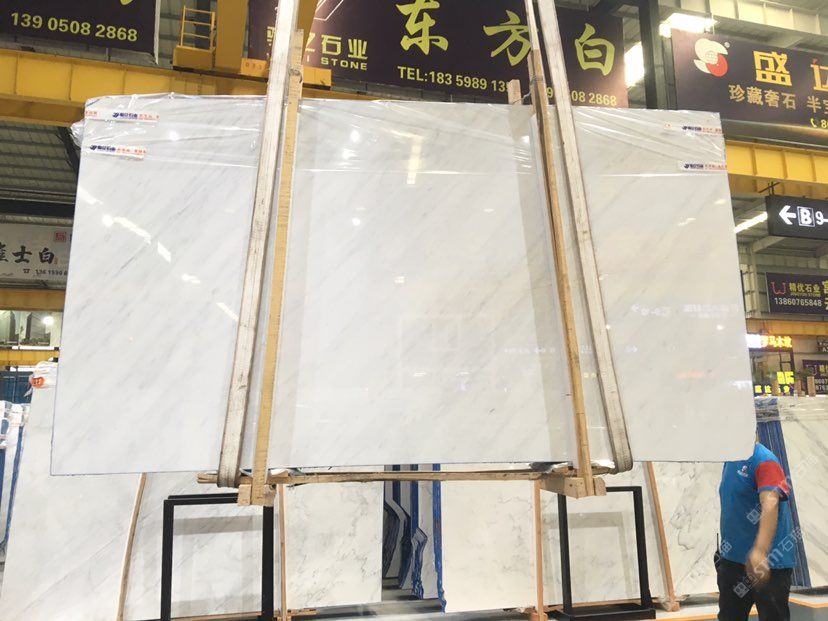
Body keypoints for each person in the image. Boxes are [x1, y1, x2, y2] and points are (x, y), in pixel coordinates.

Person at [717, 442, 796, 621]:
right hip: (733, 561)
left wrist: (760, 550)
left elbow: (770, 503)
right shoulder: (730, 459)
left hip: (769, 563)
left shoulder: (765, 460)